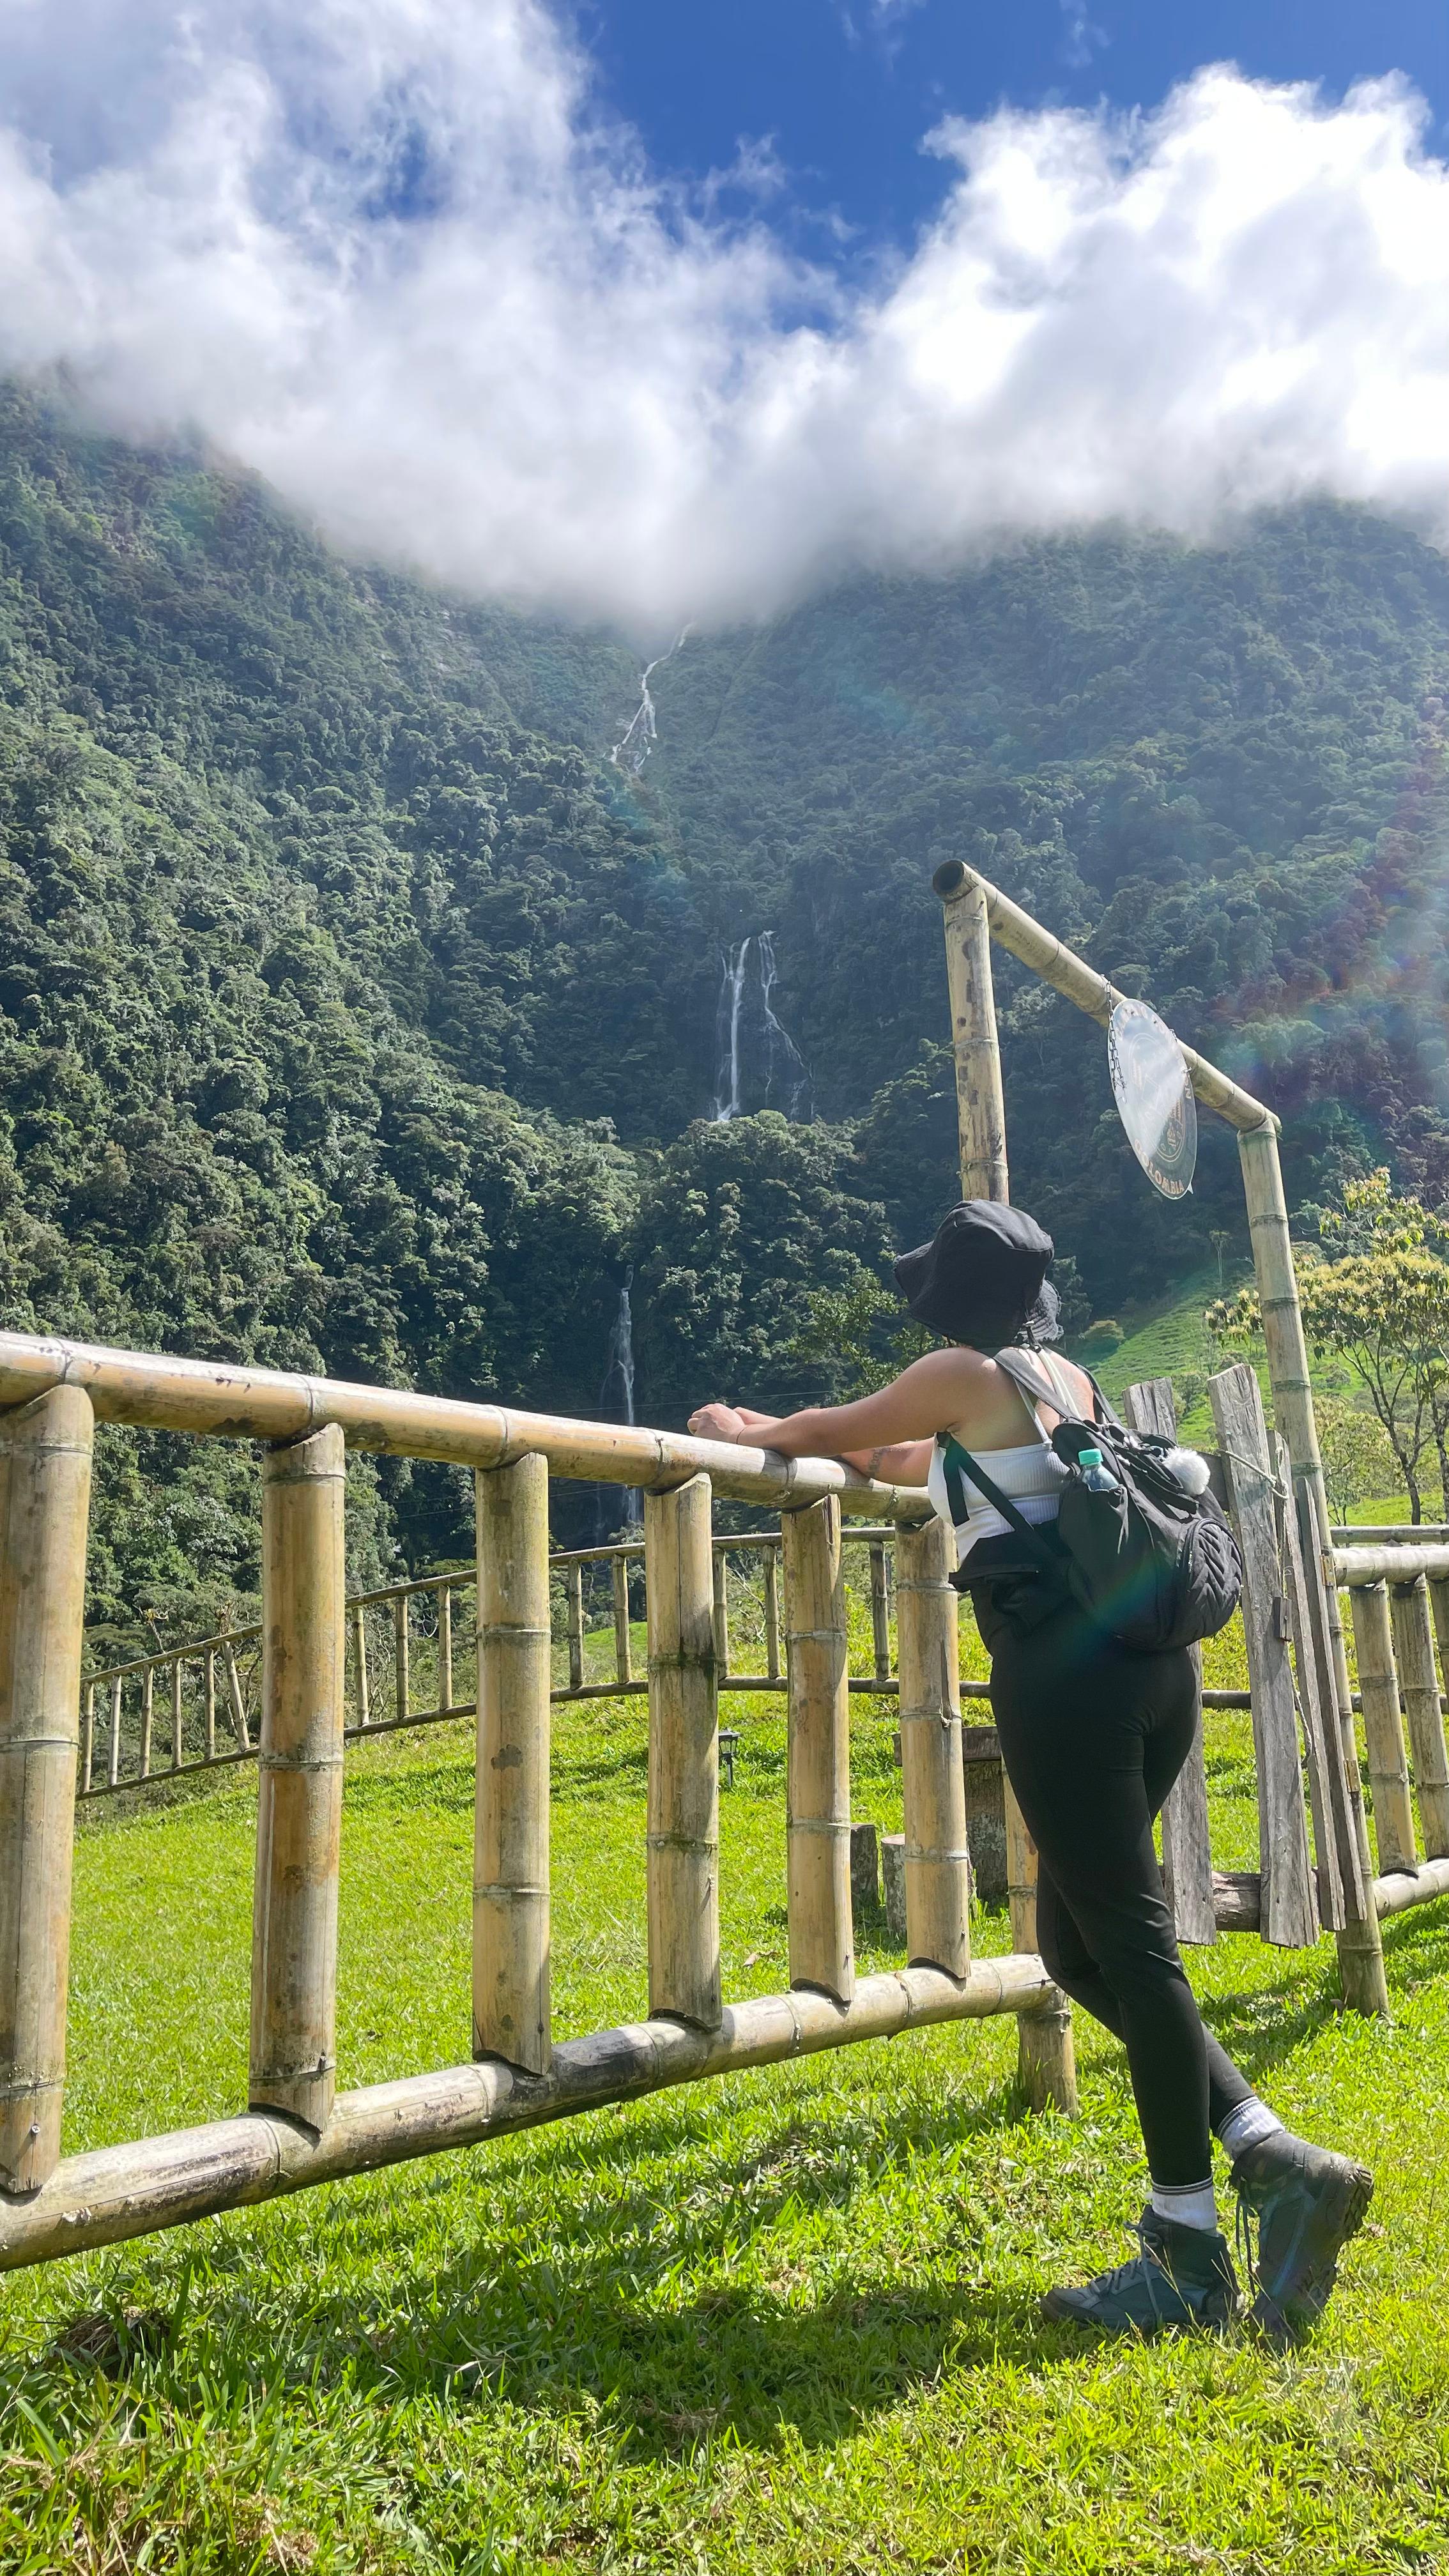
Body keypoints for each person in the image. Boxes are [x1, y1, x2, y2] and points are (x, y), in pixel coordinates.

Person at [689, 1199, 1373, 2340]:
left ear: (951, 1298)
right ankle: (1267, 2155)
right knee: (1072, 1942)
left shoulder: (959, 1368)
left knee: (1134, 1950)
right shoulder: (1061, 1380)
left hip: (1067, 1689)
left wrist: (739, 1423)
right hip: (1152, 1684)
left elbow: (834, 1424)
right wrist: (818, 1434)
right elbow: (901, 1451)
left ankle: (1188, 2254)